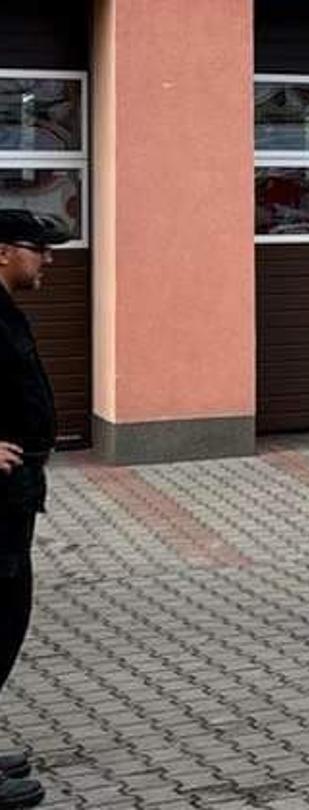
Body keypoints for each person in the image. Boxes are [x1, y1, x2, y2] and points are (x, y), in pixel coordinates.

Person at [0, 209, 70, 810]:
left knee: (7, 619)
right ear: (2, 252)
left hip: (14, 494)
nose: (47, 258)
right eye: (37, 249)